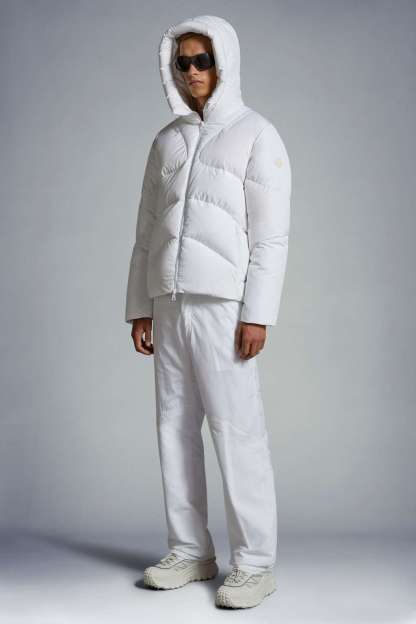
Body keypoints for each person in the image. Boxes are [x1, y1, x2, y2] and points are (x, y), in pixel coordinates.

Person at [125, 14, 291, 609]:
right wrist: (139, 306)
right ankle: (190, 549)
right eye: (183, 62)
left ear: (225, 63)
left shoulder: (256, 134)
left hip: (225, 304)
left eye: (203, 60)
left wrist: (258, 313)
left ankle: (256, 564)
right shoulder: (166, 140)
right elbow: (147, 230)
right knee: (173, 426)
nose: (192, 71)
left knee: (237, 429)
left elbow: (271, 237)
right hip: (168, 301)